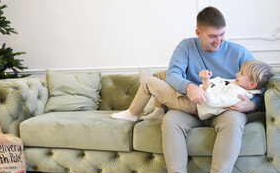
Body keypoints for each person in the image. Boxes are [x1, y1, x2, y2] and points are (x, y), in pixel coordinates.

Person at [111, 6, 265, 173]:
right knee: (171, 120)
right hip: (191, 107)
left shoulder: (239, 52)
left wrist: (251, 104)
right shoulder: (186, 46)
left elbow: (260, 84)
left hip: (224, 110)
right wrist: (190, 86)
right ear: (198, 33)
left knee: (235, 120)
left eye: (222, 34)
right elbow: (173, 74)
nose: (218, 41)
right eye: (212, 36)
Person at [111, 60, 273, 122]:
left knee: (148, 82)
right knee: (163, 74)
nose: (237, 74)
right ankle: (159, 110)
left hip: (193, 106)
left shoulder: (238, 95)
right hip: (194, 97)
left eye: (242, 74)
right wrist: (199, 84)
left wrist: (205, 81)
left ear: (252, 85)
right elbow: (221, 84)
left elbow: (211, 101)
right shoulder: (240, 86)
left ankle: (132, 113)